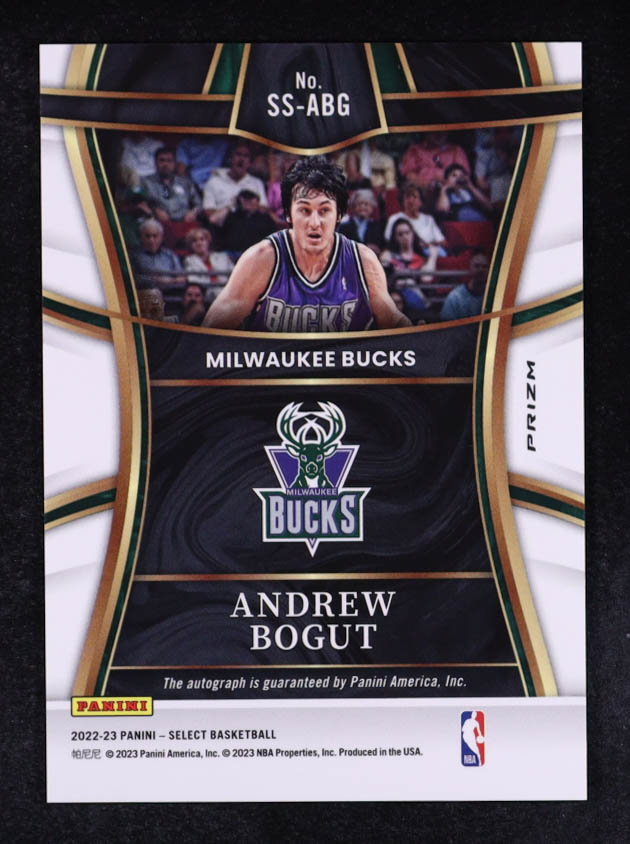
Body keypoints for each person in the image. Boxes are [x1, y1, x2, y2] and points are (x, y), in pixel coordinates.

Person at [202, 156, 410, 331]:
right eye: (305, 210)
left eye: (324, 210)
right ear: (288, 214)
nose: (314, 223)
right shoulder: (262, 259)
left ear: (339, 214)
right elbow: (211, 332)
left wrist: (417, 337)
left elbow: (393, 320)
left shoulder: (362, 261)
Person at [202, 142, 268, 226]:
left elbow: (264, 209)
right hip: (223, 227)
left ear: (250, 163)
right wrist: (232, 206)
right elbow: (209, 212)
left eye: (246, 156)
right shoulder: (214, 182)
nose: (241, 159)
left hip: (250, 226)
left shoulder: (257, 183)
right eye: (238, 154)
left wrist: (249, 205)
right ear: (231, 158)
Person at [138, 147, 201, 223]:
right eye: (161, 160)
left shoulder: (186, 182)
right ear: (155, 163)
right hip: (157, 222)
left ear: (175, 163)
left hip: (184, 222)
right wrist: (155, 210)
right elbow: (139, 202)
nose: (165, 164)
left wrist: (193, 212)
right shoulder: (145, 182)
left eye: (169, 161)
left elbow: (198, 204)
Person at [384, 184, 447, 258]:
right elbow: (388, 239)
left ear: (421, 201)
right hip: (405, 253)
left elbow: (442, 241)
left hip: (429, 252)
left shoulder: (428, 219)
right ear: (402, 201)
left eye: (414, 197)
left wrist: (428, 245)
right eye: (407, 197)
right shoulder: (394, 218)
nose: (411, 200)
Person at [400, 131, 471, 193]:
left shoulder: (456, 150)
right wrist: (429, 185)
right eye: (434, 132)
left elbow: (464, 178)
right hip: (422, 195)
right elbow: (409, 175)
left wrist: (445, 186)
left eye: (443, 131)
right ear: (426, 132)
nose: (439, 134)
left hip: (450, 195)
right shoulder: (415, 150)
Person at [220, 189, 278, 259]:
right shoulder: (232, 216)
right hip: (233, 254)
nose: (248, 204)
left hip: (257, 254)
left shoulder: (265, 218)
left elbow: (272, 239)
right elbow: (213, 221)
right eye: (246, 201)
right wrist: (231, 205)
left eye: (250, 201)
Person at [131, 219, 185, 289]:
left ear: (161, 237)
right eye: (147, 236)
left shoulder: (170, 255)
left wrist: (173, 281)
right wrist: (156, 280)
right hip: (146, 291)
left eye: (155, 236)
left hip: (171, 290)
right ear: (141, 237)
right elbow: (134, 278)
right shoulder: (135, 255)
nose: (151, 240)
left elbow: (181, 277)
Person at [440, 250, 490, 321]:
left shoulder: (495, 296)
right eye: (476, 266)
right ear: (470, 268)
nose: (480, 270)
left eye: (484, 267)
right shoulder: (455, 297)